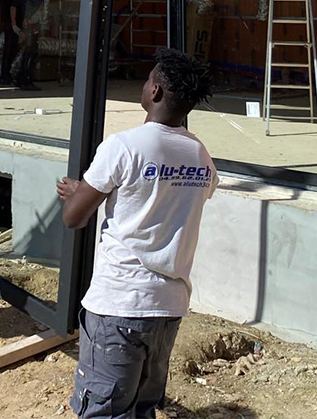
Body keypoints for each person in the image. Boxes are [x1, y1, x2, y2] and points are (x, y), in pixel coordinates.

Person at [56, 48, 217, 419]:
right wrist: (91, 189)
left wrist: (81, 194)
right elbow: (162, 199)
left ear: (156, 91)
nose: (144, 85)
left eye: (147, 80)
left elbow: (73, 218)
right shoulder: (200, 155)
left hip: (120, 305)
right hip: (167, 309)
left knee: (105, 411)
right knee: (142, 407)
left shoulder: (123, 145)